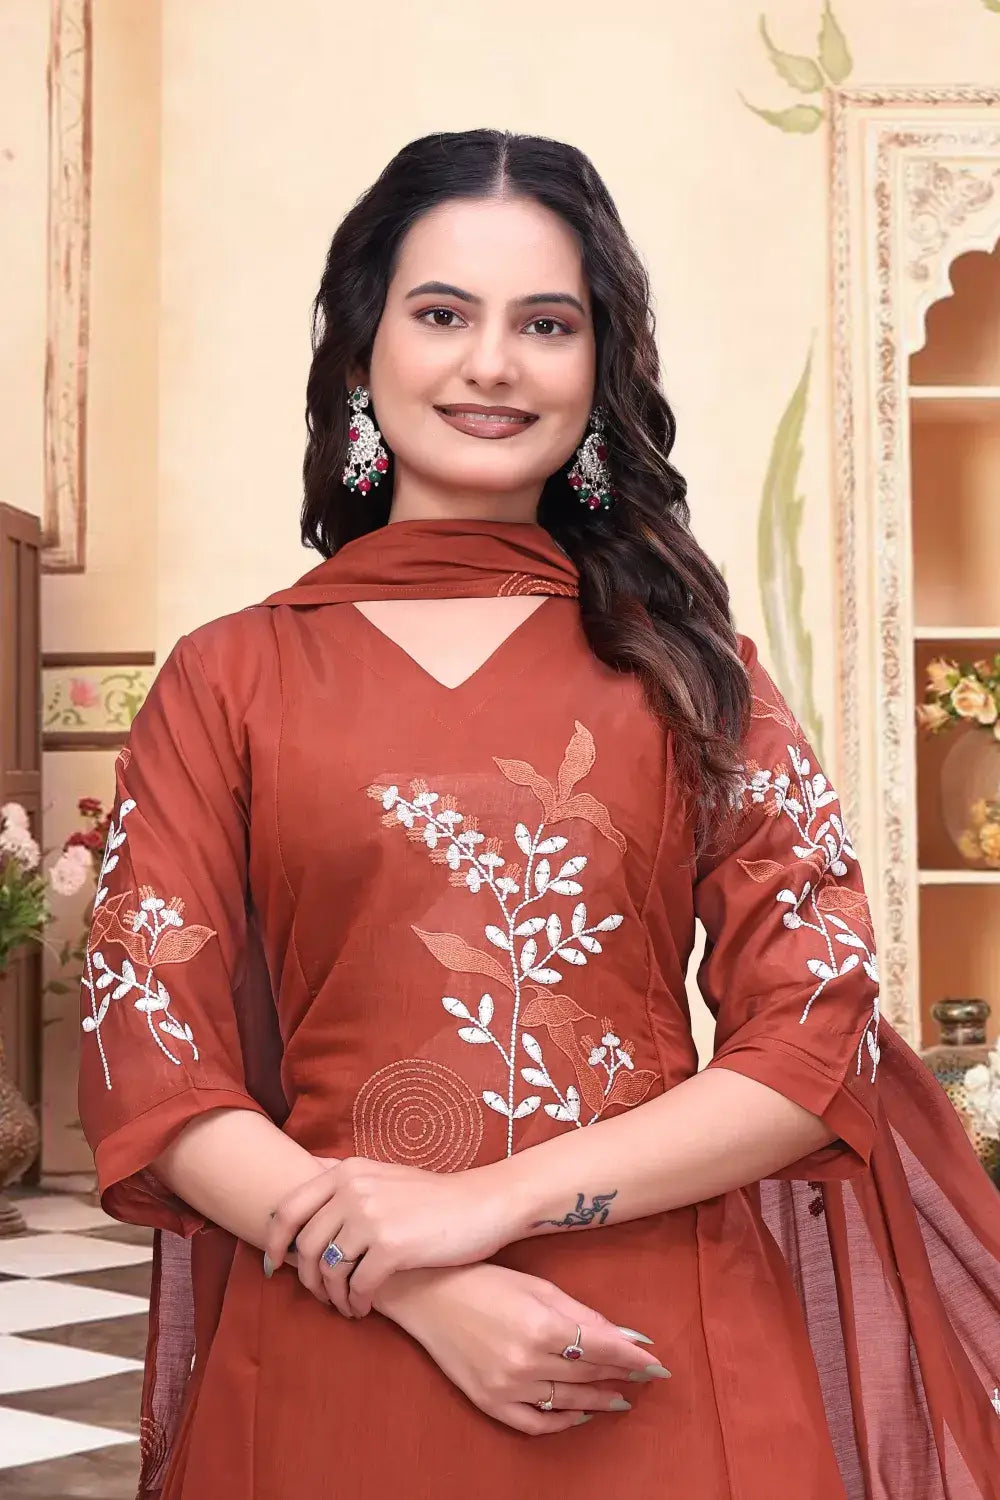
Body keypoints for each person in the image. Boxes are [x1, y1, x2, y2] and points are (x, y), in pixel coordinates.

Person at [78, 130, 1000, 1500]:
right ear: (358, 350)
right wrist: (428, 1286)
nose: (492, 365)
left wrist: (484, 1205)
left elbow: (814, 1031)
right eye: (442, 313)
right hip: (335, 1334)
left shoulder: (692, 671)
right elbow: (157, 1060)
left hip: (650, 1351)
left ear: (601, 365)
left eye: (546, 323)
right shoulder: (233, 675)